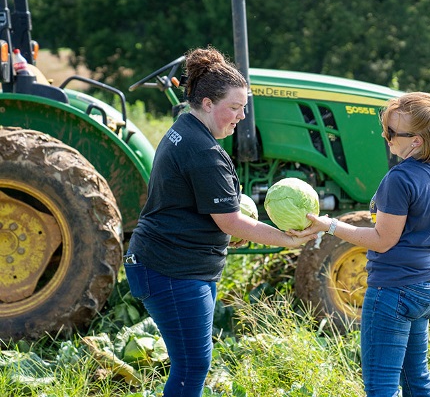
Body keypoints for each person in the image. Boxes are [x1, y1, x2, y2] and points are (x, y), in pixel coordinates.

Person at [124, 46, 316, 397]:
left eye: (245, 108)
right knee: (192, 365)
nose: (242, 116)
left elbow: (197, 209)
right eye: (235, 107)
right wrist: (289, 240)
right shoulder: (202, 151)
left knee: (192, 362)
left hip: (174, 264)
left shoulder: (185, 128)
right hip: (171, 270)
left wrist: (227, 230)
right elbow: (230, 221)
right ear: (208, 103)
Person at [291, 91, 430, 397]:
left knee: (381, 387)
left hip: (393, 293)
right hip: (428, 288)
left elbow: (383, 240)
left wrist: (329, 225)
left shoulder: (400, 179)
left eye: (391, 133)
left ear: (417, 141)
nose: (386, 137)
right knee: (417, 380)